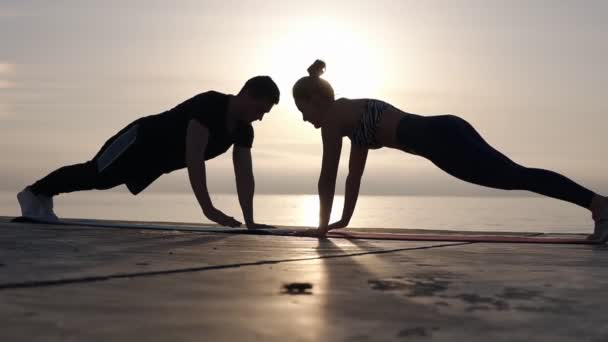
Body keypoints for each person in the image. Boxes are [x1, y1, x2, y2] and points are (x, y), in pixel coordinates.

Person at [292, 60, 608, 241]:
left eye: (303, 111)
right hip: (447, 127)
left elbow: (327, 176)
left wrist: (320, 228)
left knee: (515, 177)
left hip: (439, 141)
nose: (306, 119)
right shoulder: (353, 117)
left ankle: (598, 204)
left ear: (315, 100)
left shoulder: (334, 119)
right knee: (517, 176)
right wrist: (343, 220)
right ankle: (597, 204)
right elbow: (352, 177)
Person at [17, 76, 280, 229]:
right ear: (246, 94)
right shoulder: (211, 104)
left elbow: (244, 176)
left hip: (155, 162)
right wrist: (208, 209)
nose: (260, 117)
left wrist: (250, 222)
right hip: (139, 139)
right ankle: (34, 193)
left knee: (105, 182)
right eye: (260, 109)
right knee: (96, 173)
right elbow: (194, 158)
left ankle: (42, 198)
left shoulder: (244, 131)